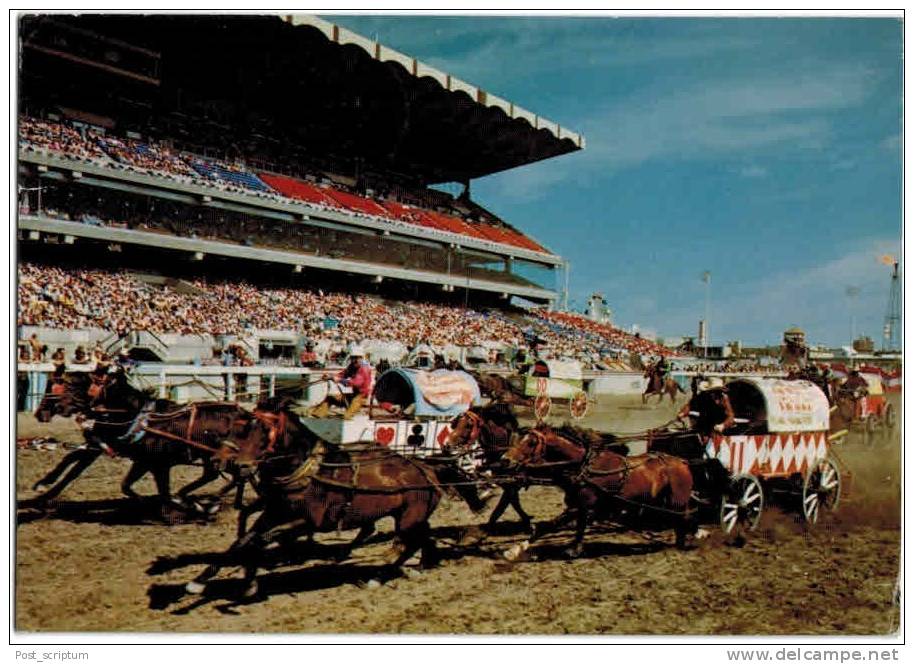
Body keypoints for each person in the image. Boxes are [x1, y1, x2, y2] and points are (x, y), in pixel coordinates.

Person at [309, 346, 373, 419]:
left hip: (362, 397)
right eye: (353, 358)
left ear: (361, 358)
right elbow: (343, 374)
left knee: (346, 416)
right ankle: (317, 415)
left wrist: (339, 380)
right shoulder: (352, 366)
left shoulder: (364, 368)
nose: (354, 360)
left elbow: (355, 383)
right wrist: (330, 376)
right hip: (353, 395)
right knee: (330, 398)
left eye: (356, 358)